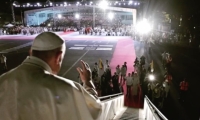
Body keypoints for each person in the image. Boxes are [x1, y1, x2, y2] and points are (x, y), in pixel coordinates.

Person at [0, 32, 102, 120]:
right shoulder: (66, 89)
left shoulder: (2, 80)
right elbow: (95, 110)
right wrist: (88, 82)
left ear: (31, 52)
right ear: (58, 57)